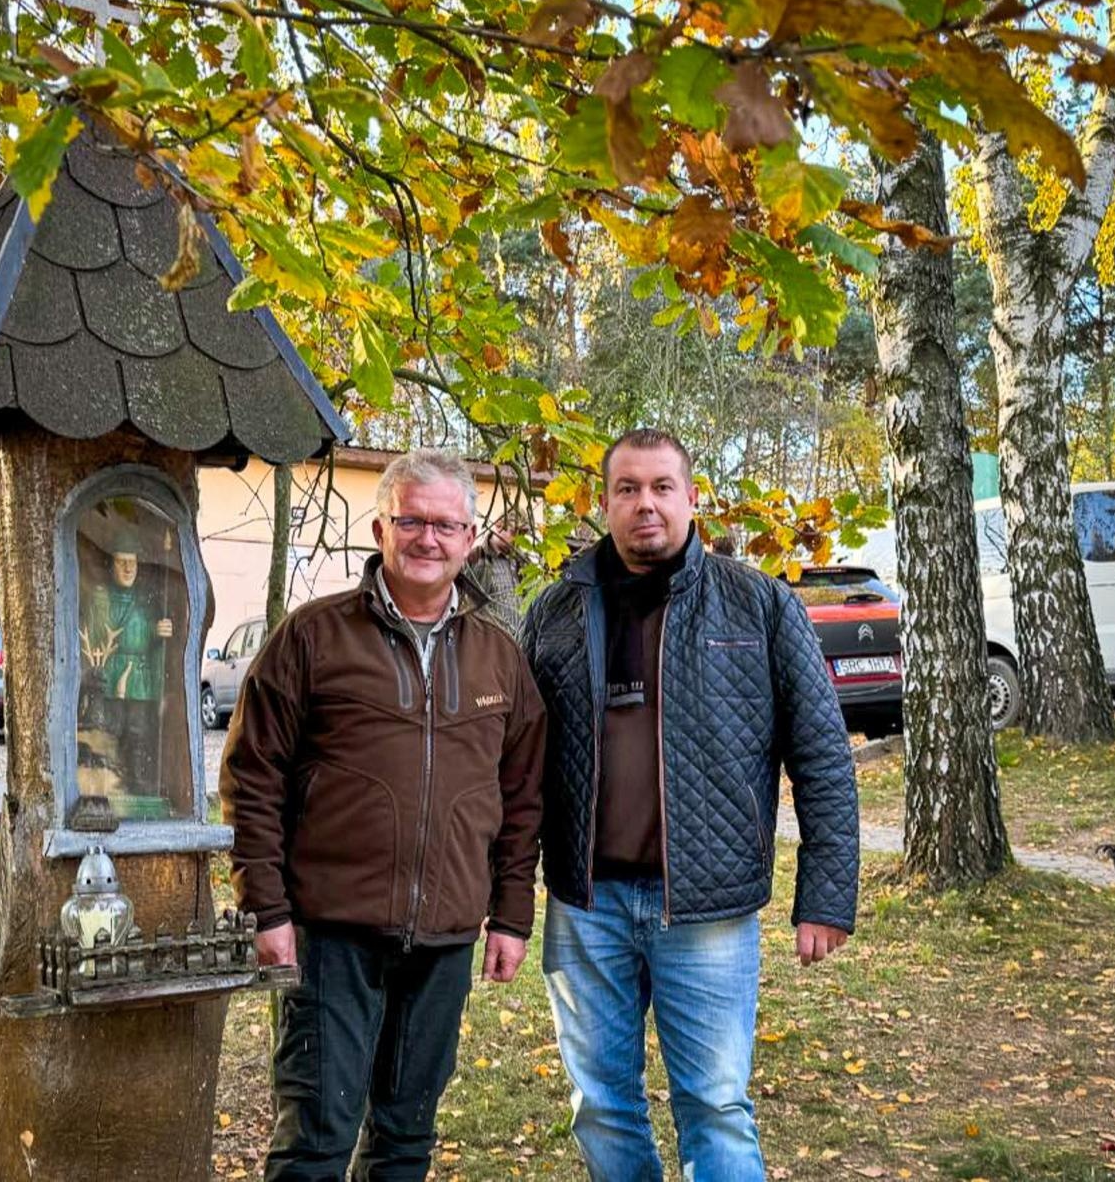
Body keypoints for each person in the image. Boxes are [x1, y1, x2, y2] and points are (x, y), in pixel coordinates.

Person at [521, 429, 859, 1181]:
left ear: (691, 498)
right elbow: (516, 770)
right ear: (604, 503)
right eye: (628, 488)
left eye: (662, 487)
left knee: (714, 1106)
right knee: (601, 1106)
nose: (646, 504)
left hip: (707, 910)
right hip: (587, 907)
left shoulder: (760, 605)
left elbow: (823, 757)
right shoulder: (557, 613)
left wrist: (827, 896)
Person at [220, 448, 547, 1181]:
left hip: (445, 941)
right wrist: (265, 910)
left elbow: (523, 797)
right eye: (411, 521)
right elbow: (252, 777)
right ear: (380, 529)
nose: (428, 539)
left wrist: (513, 915)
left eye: (445, 525)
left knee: (405, 1142)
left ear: (469, 538)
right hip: (332, 935)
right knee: (315, 1142)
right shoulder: (312, 638)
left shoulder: (499, 658)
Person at [78, 527, 174, 821]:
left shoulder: (146, 600)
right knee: (112, 731)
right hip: (110, 673)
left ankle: (140, 787)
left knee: (140, 734)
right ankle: (109, 789)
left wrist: (160, 633)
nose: (129, 567)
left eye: (132, 561)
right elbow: (93, 636)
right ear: (113, 564)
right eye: (122, 561)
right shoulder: (100, 598)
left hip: (140, 679)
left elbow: (151, 638)